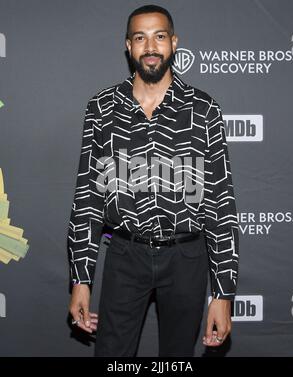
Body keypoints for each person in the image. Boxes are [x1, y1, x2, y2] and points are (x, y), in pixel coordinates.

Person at [67, 4, 239, 357]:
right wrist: (80, 280)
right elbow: (87, 198)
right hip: (125, 254)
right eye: (140, 37)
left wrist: (223, 294)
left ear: (173, 43)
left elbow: (221, 203)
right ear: (128, 46)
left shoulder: (203, 109)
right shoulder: (102, 109)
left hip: (186, 257)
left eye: (159, 36)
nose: (150, 47)